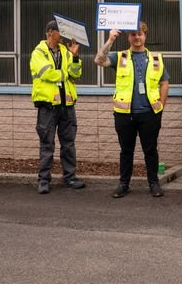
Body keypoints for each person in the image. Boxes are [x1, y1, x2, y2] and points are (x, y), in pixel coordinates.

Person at [95, 21, 170, 199]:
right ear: (128, 37)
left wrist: (161, 106)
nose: (137, 37)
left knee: (150, 150)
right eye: (133, 34)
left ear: (145, 36)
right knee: (126, 151)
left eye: (140, 34)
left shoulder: (156, 58)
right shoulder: (120, 57)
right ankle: (123, 184)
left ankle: (154, 183)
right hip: (124, 114)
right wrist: (110, 39)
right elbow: (98, 60)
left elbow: (165, 82)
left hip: (149, 113)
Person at [30, 20, 85, 194]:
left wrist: (75, 57)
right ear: (50, 32)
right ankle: (44, 180)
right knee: (47, 143)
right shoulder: (38, 52)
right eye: (61, 32)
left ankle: (70, 177)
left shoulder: (66, 52)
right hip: (48, 106)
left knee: (68, 143)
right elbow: (47, 73)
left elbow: (76, 74)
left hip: (67, 105)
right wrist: (65, 74)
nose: (64, 35)